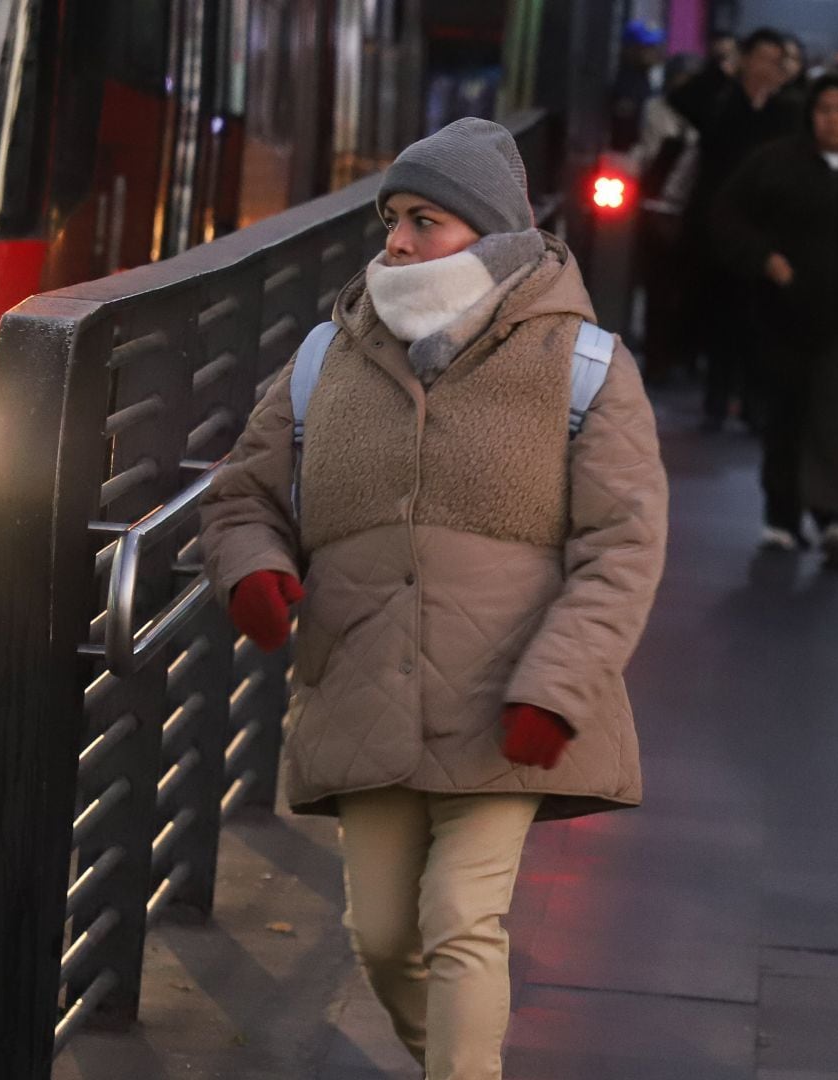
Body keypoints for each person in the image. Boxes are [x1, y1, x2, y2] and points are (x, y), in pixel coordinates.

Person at [198, 119, 669, 1078]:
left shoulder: (583, 365)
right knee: (379, 937)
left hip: (508, 702)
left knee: (462, 914)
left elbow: (624, 548)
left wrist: (557, 687)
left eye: (424, 221)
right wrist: (251, 566)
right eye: (391, 220)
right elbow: (242, 492)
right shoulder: (330, 357)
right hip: (364, 684)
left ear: (491, 235)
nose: (398, 244)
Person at [715, 70, 838, 563]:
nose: (833, 120)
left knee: (836, 413)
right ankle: (781, 515)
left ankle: (834, 513)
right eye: (824, 109)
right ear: (810, 113)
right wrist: (764, 257)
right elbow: (726, 216)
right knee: (784, 414)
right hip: (784, 313)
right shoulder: (775, 162)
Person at [671, 27, 800, 431]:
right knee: (718, 313)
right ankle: (716, 397)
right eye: (760, 57)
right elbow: (681, 100)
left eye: (774, 60)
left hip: (767, 229)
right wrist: (719, 67)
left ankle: (752, 403)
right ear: (744, 59)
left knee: (758, 320)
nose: (767, 67)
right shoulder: (722, 100)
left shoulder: (788, 111)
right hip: (716, 224)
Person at [631, 54, 704, 384]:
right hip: (658, 204)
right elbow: (647, 151)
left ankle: (677, 355)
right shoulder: (655, 110)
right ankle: (659, 358)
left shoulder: (708, 112)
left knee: (684, 289)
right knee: (658, 287)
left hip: (692, 207)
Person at [609, 20, 666, 152]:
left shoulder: (647, 78)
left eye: (656, 46)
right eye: (647, 47)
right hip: (623, 155)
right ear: (630, 49)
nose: (655, 52)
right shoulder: (624, 82)